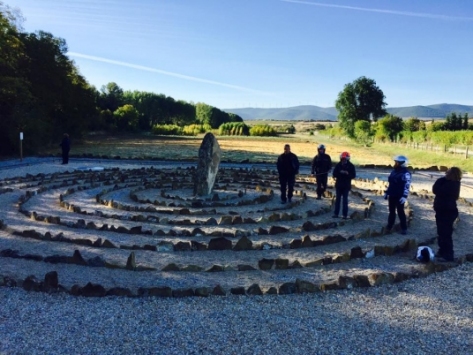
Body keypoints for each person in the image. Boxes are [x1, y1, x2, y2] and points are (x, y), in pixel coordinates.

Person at [432, 167, 462, 261]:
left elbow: (439, 191)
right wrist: (441, 181)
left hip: (448, 212)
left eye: (448, 172)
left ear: (452, 174)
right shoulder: (444, 181)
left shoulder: (454, 184)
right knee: (440, 232)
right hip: (440, 210)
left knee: (446, 233)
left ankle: (448, 255)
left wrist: (440, 183)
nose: (446, 173)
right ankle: (442, 250)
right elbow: (435, 189)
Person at [384, 155, 411, 235]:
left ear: (401, 163)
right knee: (391, 211)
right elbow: (391, 183)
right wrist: (387, 192)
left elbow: (407, 185)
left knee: (400, 212)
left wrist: (404, 196)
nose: (395, 163)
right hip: (392, 194)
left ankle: (404, 228)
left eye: (396, 162)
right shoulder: (394, 171)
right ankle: (389, 226)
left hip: (399, 195)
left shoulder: (406, 173)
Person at [332, 151, 356, 219]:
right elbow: (334, 174)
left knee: (345, 200)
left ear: (347, 159)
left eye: (344, 159)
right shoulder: (338, 165)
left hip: (346, 185)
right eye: (342, 159)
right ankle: (336, 213)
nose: (343, 160)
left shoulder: (351, 166)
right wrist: (340, 173)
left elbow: (353, 175)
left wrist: (347, 173)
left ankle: (344, 215)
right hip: (339, 185)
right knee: (337, 200)